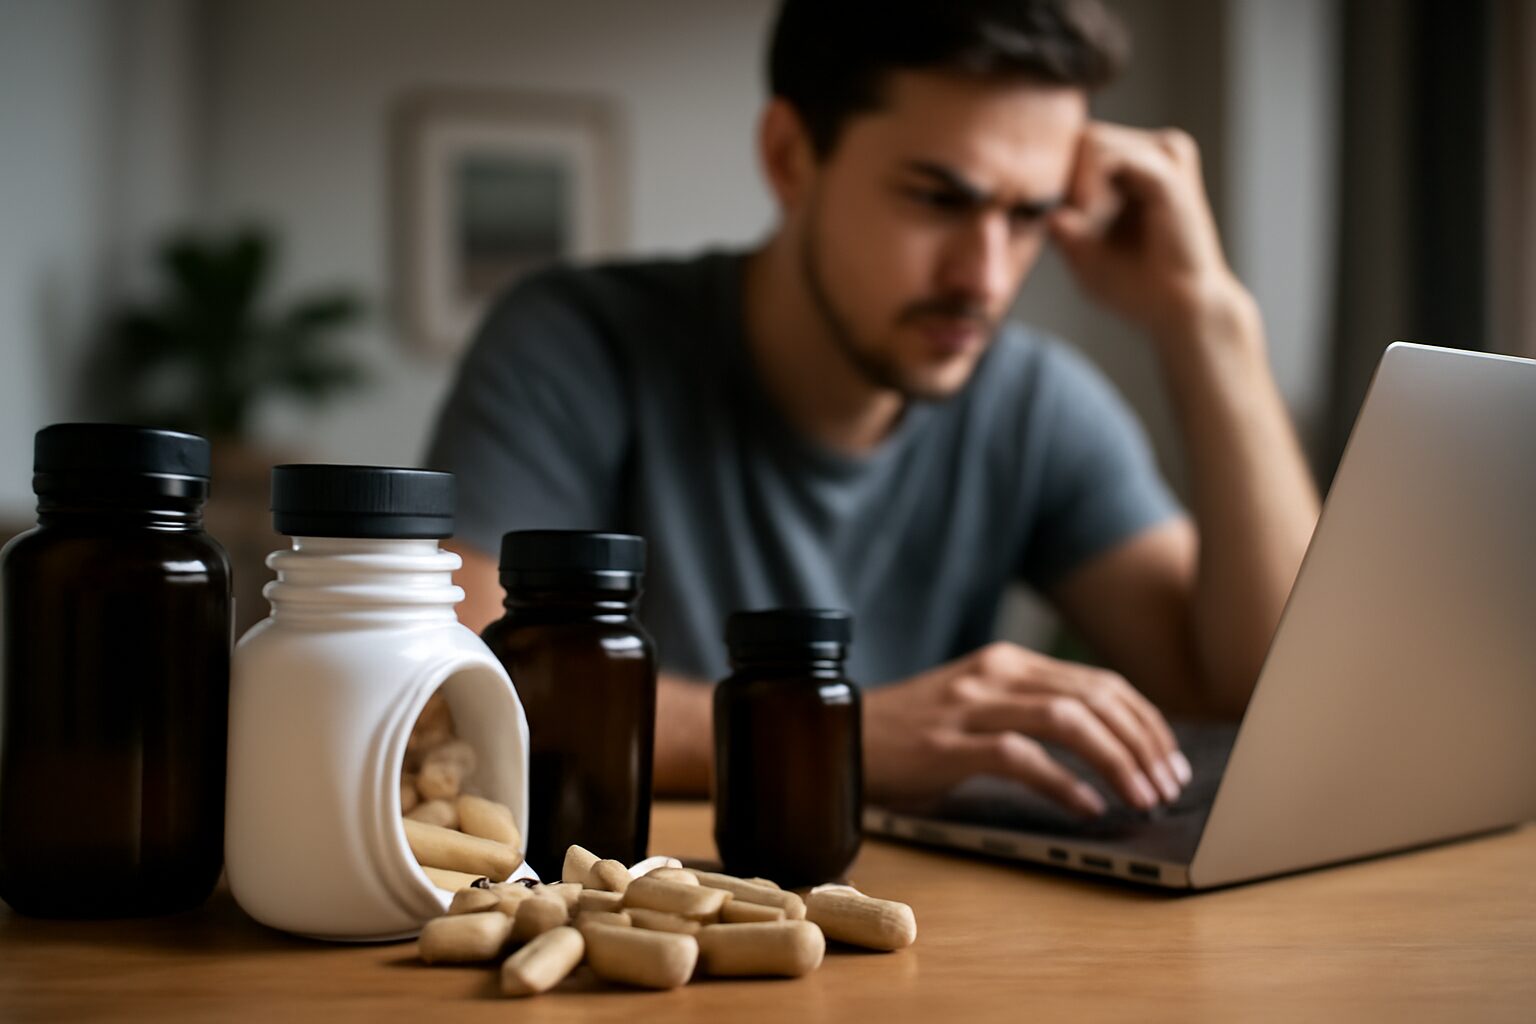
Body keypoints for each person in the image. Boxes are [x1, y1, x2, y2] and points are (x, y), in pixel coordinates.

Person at [426, 0, 1320, 818]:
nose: (988, 277)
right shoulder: (576, 344)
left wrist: (1210, 318)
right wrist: (833, 729)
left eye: (1029, 217)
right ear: (789, 156)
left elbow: (1267, 695)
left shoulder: (1036, 404)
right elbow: (449, 685)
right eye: (939, 198)